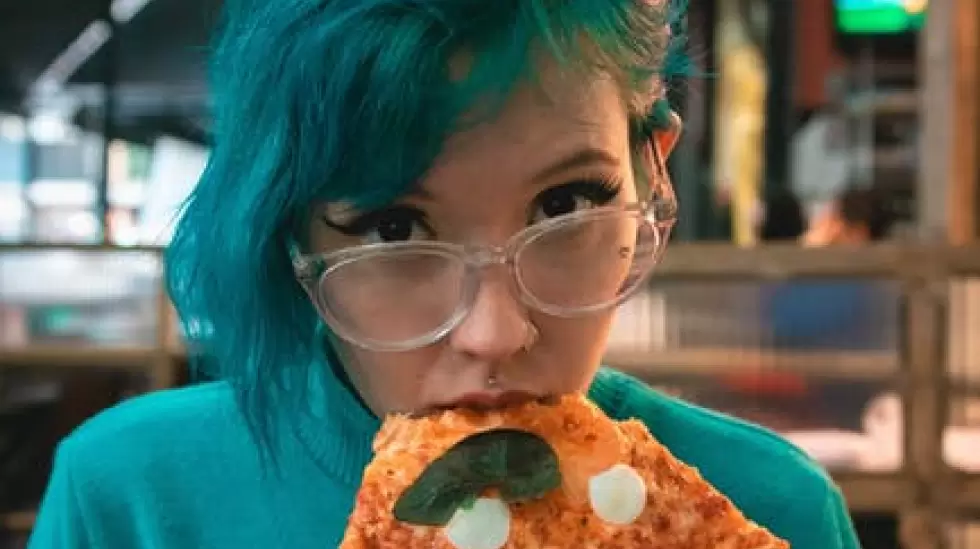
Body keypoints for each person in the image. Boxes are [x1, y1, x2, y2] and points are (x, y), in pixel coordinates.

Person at [28, 1, 860, 548]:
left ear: (653, 171)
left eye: (565, 203)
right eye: (394, 227)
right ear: (290, 236)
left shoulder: (770, 506)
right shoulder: (133, 502)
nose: (496, 332)